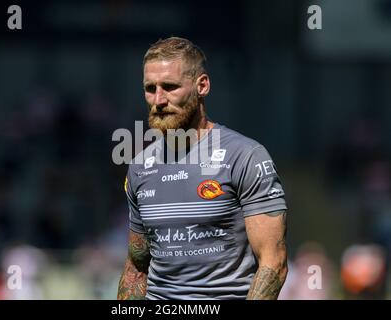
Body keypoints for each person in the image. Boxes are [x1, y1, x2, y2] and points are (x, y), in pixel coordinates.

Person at [117, 37, 288, 300]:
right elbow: (136, 266)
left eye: (170, 87)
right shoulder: (140, 166)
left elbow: (273, 262)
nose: (158, 99)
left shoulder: (245, 156)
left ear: (202, 86)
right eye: (150, 88)